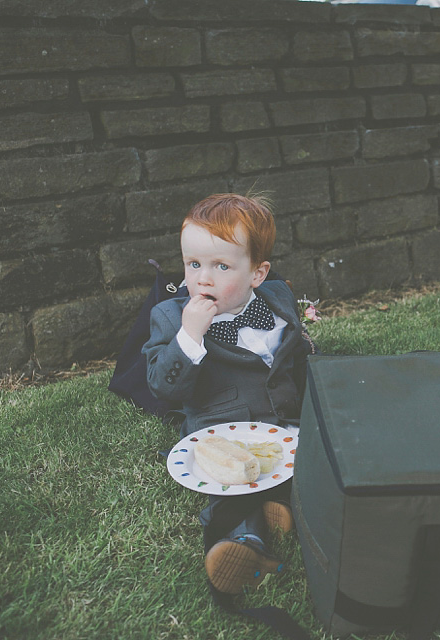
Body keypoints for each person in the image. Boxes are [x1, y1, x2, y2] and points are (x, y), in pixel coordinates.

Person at [143, 193, 317, 596]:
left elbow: (297, 357)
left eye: (221, 266)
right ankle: (243, 543)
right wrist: (189, 337)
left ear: (258, 273)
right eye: (193, 264)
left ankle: (282, 508)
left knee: (310, 473)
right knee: (232, 492)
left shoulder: (278, 299)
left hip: (287, 426)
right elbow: (162, 386)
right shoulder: (170, 319)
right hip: (222, 432)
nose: (203, 278)